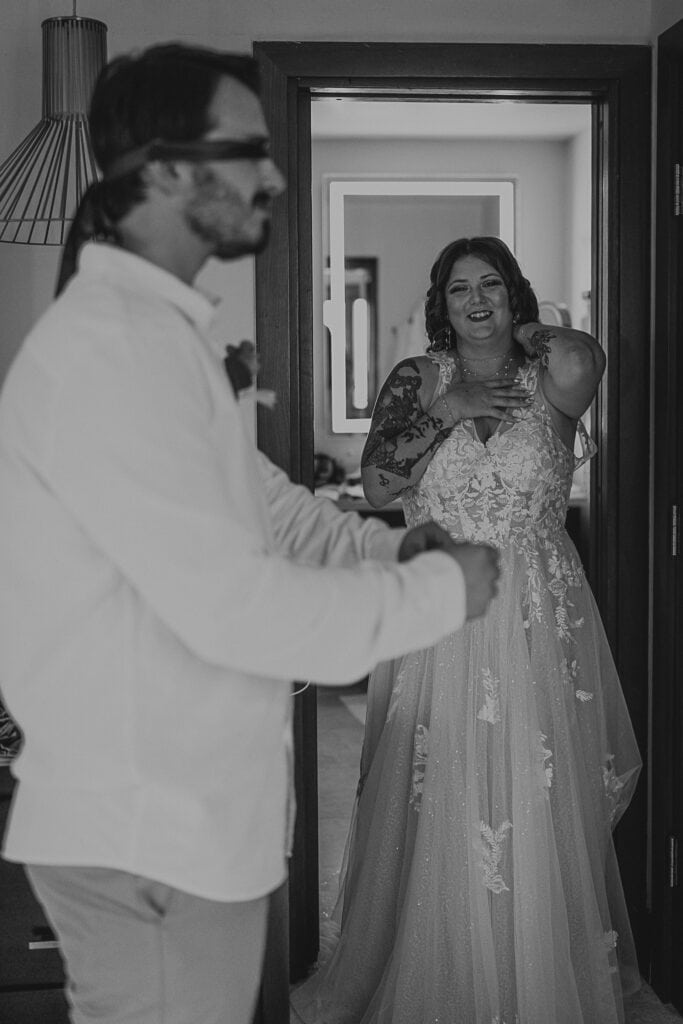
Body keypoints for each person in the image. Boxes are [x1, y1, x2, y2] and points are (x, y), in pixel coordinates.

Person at [0, 51, 500, 1024]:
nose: (271, 177)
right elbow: (236, 609)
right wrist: (439, 594)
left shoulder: (163, 337)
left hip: (190, 824)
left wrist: (388, 550)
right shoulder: (112, 352)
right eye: (247, 152)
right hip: (148, 832)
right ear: (165, 168)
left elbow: (265, 503)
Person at [292, 236, 641, 1024]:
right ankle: (438, 967)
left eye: (491, 285)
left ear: (515, 295)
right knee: (438, 779)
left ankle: (534, 974)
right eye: (457, 290)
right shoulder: (416, 380)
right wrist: (447, 411)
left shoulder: (552, 378)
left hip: (536, 615)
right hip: (441, 611)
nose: (475, 299)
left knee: (539, 782)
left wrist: (524, 333)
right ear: (437, 305)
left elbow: (585, 355)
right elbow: (380, 480)